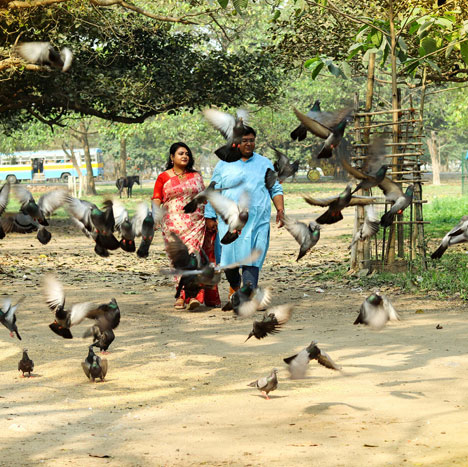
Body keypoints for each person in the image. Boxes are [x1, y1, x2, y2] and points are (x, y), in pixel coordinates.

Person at [205, 126, 285, 302]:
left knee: (253, 257)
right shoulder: (224, 164)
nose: (248, 144)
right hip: (231, 223)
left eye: (251, 140)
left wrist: (280, 209)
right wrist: (209, 215)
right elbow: (213, 190)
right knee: (229, 260)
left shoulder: (264, 163)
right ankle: (235, 286)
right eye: (244, 141)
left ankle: (248, 292)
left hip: (258, 221)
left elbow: (275, 188)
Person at [152, 142, 220, 310]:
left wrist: (211, 217)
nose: (185, 156)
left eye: (187, 154)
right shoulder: (163, 177)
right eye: (181, 153)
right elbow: (157, 198)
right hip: (172, 224)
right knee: (178, 259)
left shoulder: (196, 176)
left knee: (194, 258)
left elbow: (204, 198)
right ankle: (181, 294)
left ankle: (192, 296)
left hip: (195, 223)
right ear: (172, 157)